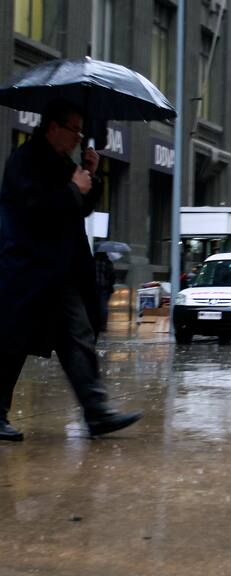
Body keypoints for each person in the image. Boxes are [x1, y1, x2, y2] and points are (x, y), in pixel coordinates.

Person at [0, 99, 143, 441]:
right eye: (74, 130)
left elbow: (79, 208)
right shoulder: (24, 161)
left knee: (78, 338)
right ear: (53, 128)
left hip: (60, 272)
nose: (80, 137)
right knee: (11, 344)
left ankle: (96, 412)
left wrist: (91, 177)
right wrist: (72, 189)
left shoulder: (62, 162)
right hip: (28, 270)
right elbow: (34, 210)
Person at [94, 251, 116, 331]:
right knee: (104, 307)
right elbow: (112, 276)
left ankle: (95, 324)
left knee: (95, 306)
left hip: (94, 287)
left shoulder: (92, 262)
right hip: (105, 287)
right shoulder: (108, 262)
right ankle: (103, 325)